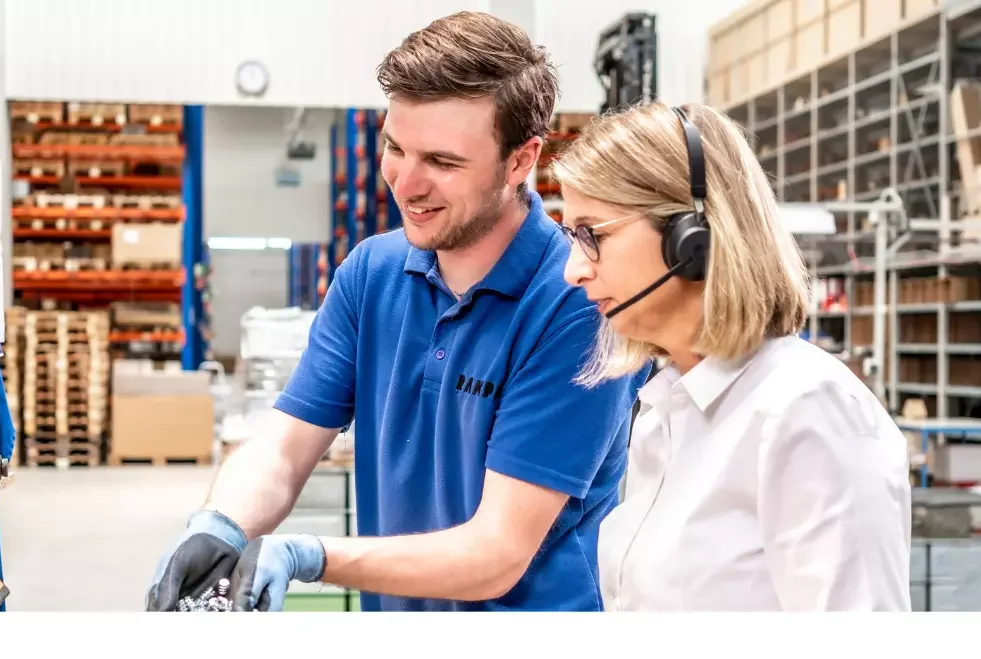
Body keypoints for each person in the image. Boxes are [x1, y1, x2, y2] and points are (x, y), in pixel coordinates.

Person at [145, 11, 649, 613]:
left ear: (521, 161)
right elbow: (284, 448)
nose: (405, 183)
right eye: (394, 147)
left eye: (442, 161)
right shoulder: (372, 274)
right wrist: (221, 524)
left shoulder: (578, 301)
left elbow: (496, 553)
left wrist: (312, 555)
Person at [551, 101, 913, 611]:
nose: (573, 270)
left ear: (690, 237)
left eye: (593, 235)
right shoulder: (667, 413)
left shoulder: (806, 410)